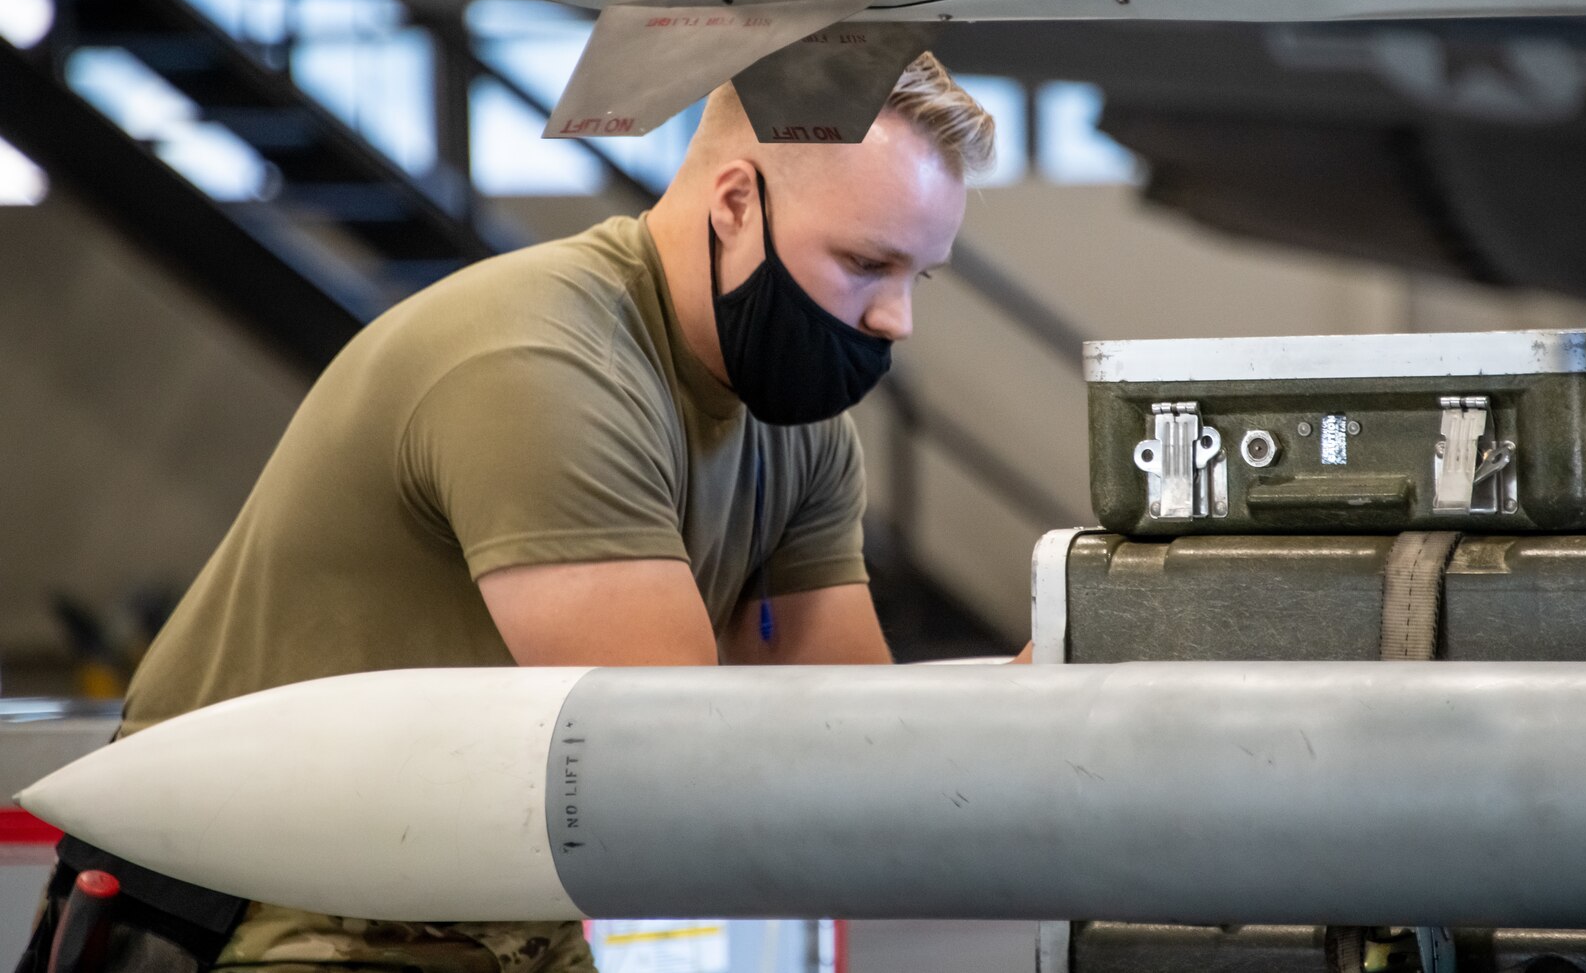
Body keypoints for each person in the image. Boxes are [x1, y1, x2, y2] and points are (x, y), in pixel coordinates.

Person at [95, 53, 996, 973]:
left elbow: (855, 729)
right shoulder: (544, 366)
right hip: (271, 908)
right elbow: (678, 759)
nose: (895, 320)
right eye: (864, 263)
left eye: (918, 277)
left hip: (492, 904)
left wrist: (1035, 699)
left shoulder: (797, 427)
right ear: (735, 204)